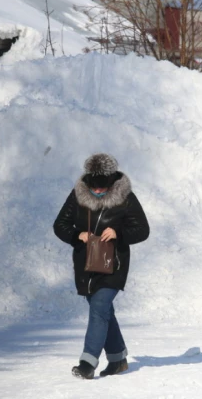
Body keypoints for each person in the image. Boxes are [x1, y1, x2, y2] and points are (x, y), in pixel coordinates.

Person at [53, 153, 150, 380]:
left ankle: (88, 363)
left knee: (99, 307)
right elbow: (60, 225)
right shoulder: (78, 195)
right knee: (103, 311)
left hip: (113, 266)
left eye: (102, 188)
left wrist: (119, 233)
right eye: (94, 188)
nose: (98, 192)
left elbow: (143, 230)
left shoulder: (125, 197)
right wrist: (78, 235)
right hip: (86, 266)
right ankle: (117, 360)